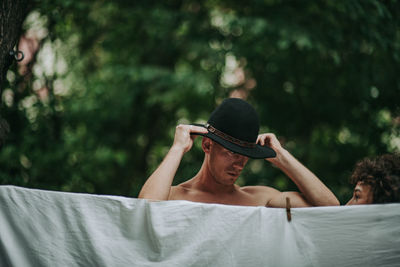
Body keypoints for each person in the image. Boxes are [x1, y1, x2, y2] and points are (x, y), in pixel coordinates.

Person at [139, 98, 339, 208]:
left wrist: (282, 156)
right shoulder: (173, 197)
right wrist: (177, 149)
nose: (239, 164)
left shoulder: (260, 199)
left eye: (245, 155)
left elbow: (330, 207)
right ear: (207, 146)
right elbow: (144, 211)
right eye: (231, 153)